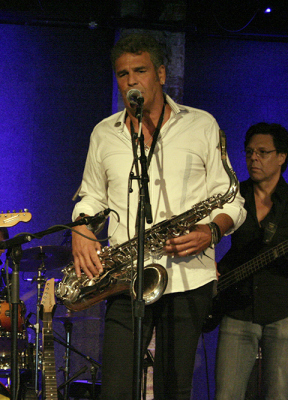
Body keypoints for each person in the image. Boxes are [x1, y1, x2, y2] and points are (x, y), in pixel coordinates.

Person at [70, 33, 246, 399]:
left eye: (140, 70)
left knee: (174, 387)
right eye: (122, 74)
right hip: (125, 277)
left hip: (187, 275)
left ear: (161, 74)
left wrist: (211, 231)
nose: (131, 80)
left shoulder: (202, 125)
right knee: (116, 388)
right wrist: (82, 227)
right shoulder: (104, 133)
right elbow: (90, 195)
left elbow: (232, 201)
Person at [215, 122, 288, 400]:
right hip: (236, 310)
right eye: (248, 152)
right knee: (227, 395)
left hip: (282, 311)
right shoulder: (232, 196)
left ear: (281, 157)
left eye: (262, 152)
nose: (253, 158)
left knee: (279, 394)